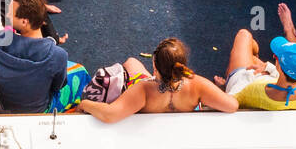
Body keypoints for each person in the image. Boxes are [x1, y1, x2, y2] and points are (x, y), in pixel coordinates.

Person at [77, 37, 238, 121]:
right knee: (133, 63)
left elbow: (109, 115)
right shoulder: (197, 84)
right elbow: (232, 105)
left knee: (132, 62)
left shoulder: (143, 90)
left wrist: (85, 104)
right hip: (184, 112)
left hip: (146, 116)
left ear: (155, 65)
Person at [0, 0, 88, 113]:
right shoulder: (57, 55)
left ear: (24, 22)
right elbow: (58, 86)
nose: (6, 14)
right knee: (81, 72)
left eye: (10, 13)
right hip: (37, 111)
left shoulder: (0, 39)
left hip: (3, 104)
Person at [217, 29, 296, 110]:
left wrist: (222, 89)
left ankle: (227, 81)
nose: (274, 56)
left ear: (279, 67)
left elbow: (227, 101)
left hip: (242, 78)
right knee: (252, 58)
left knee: (244, 34)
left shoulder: (252, 91)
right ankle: (254, 57)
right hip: (269, 76)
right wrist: (268, 67)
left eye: (276, 57)